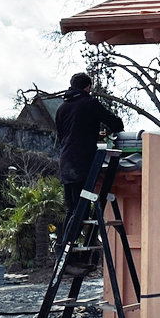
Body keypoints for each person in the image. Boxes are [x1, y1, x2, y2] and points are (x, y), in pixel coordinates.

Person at [54, 72, 123, 221]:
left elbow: (66, 136)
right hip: (82, 163)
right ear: (87, 88)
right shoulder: (89, 103)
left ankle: (66, 243)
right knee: (82, 210)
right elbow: (116, 123)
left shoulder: (61, 109)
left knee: (72, 209)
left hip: (66, 162)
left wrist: (93, 135)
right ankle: (71, 242)